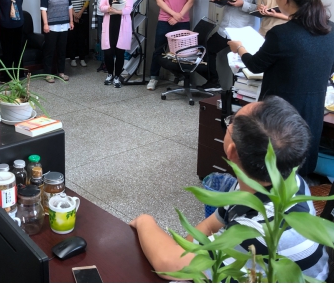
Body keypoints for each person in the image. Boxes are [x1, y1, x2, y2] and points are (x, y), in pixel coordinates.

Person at [130, 96, 329, 281]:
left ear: (232, 151)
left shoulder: (256, 233)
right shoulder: (286, 180)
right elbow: (210, 225)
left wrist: (144, 220)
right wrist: (183, 251)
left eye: (231, 121)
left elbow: (169, 265)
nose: (229, 122)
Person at [227, 0, 334, 177]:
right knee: (302, 162)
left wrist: (239, 48)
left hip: (280, 113)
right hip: (313, 111)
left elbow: (255, 65)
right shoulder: (330, 29)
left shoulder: (281, 34)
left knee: (274, 166)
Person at [200, 0, 264, 91]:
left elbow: (260, 10)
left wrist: (243, 4)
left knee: (241, 63)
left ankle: (239, 92)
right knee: (206, 50)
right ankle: (214, 82)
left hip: (243, 32)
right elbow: (222, 1)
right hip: (225, 29)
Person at [147, 0, 196, 90]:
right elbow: (159, 1)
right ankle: (154, 77)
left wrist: (178, 17)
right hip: (165, 20)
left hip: (183, 21)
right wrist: (174, 15)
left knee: (183, 52)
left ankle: (181, 77)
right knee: (159, 50)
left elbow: (190, 1)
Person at [99, 0, 133, 89]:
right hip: (110, 24)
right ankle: (109, 74)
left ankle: (117, 76)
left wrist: (117, 11)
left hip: (122, 25)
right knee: (108, 52)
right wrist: (108, 8)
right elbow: (101, 6)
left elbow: (129, 9)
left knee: (120, 52)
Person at [40, 0, 74, 83]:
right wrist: (45, 24)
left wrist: (71, 21)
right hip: (52, 25)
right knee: (49, 51)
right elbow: (43, 9)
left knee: (62, 50)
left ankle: (61, 72)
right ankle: (48, 74)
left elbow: (70, 6)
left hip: (64, 24)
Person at [91, 0, 113, 73]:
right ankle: (104, 62)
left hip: (110, 13)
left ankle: (110, 64)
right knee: (102, 39)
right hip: (100, 13)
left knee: (110, 39)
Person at [66, 0, 90, 67]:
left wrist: (80, 13)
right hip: (71, 16)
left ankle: (82, 58)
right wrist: (74, 14)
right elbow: (67, 1)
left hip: (82, 16)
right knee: (72, 38)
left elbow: (87, 0)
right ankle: (72, 58)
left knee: (82, 38)